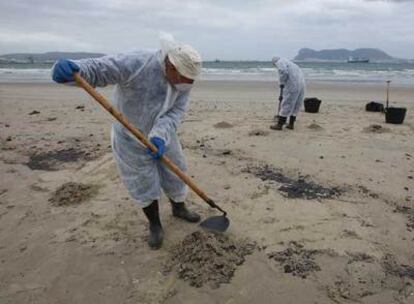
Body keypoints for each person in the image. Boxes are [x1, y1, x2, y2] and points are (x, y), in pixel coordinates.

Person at [51, 34, 202, 249]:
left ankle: (179, 207)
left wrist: (159, 135)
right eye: (184, 78)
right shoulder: (138, 62)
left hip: (163, 135)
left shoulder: (185, 83)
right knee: (141, 181)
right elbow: (101, 68)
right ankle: (155, 225)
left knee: (176, 171)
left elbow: (175, 112)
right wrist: (76, 68)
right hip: (129, 135)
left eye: (191, 80)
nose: (187, 84)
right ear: (171, 65)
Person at [270, 57, 306, 130]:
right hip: (301, 84)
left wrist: (282, 83)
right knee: (296, 104)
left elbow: (283, 71)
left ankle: (279, 125)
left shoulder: (280, 62)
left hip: (293, 84)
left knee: (287, 103)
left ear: (274, 62)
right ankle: (291, 124)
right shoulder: (291, 64)